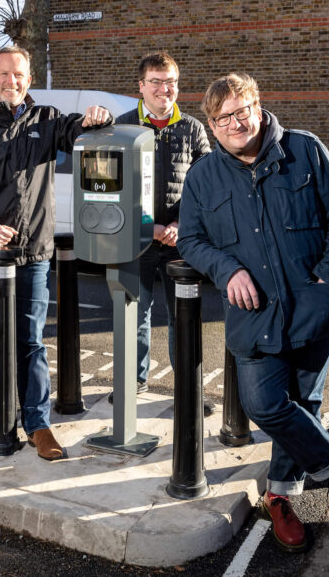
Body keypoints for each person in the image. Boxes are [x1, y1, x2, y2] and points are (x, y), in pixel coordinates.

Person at [178, 73, 329, 553]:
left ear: (258, 107)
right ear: (212, 126)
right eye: (223, 118)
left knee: (304, 404)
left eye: (242, 111)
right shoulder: (203, 176)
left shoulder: (305, 150)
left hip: (316, 306)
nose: (235, 123)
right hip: (255, 313)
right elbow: (190, 240)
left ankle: (279, 498)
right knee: (264, 404)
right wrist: (226, 270)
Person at [0, 46, 112, 461]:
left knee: (31, 340)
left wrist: (97, 117)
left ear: (28, 79)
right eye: (3, 74)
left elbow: (79, 132)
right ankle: (0, 415)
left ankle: (37, 424)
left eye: (18, 75)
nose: (10, 81)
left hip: (34, 253)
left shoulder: (48, 119)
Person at [113, 52, 210, 409]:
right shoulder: (121, 126)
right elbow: (112, 189)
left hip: (180, 242)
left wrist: (180, 225)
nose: (163, 89)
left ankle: (187, 391)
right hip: (134, 239)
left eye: (170, 81)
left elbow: (206, 188)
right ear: (141, 86)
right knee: (132, 317)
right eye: (155, 81)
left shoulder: (194, 129)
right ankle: (132, 384)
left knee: (183, 319)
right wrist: (146, 226)